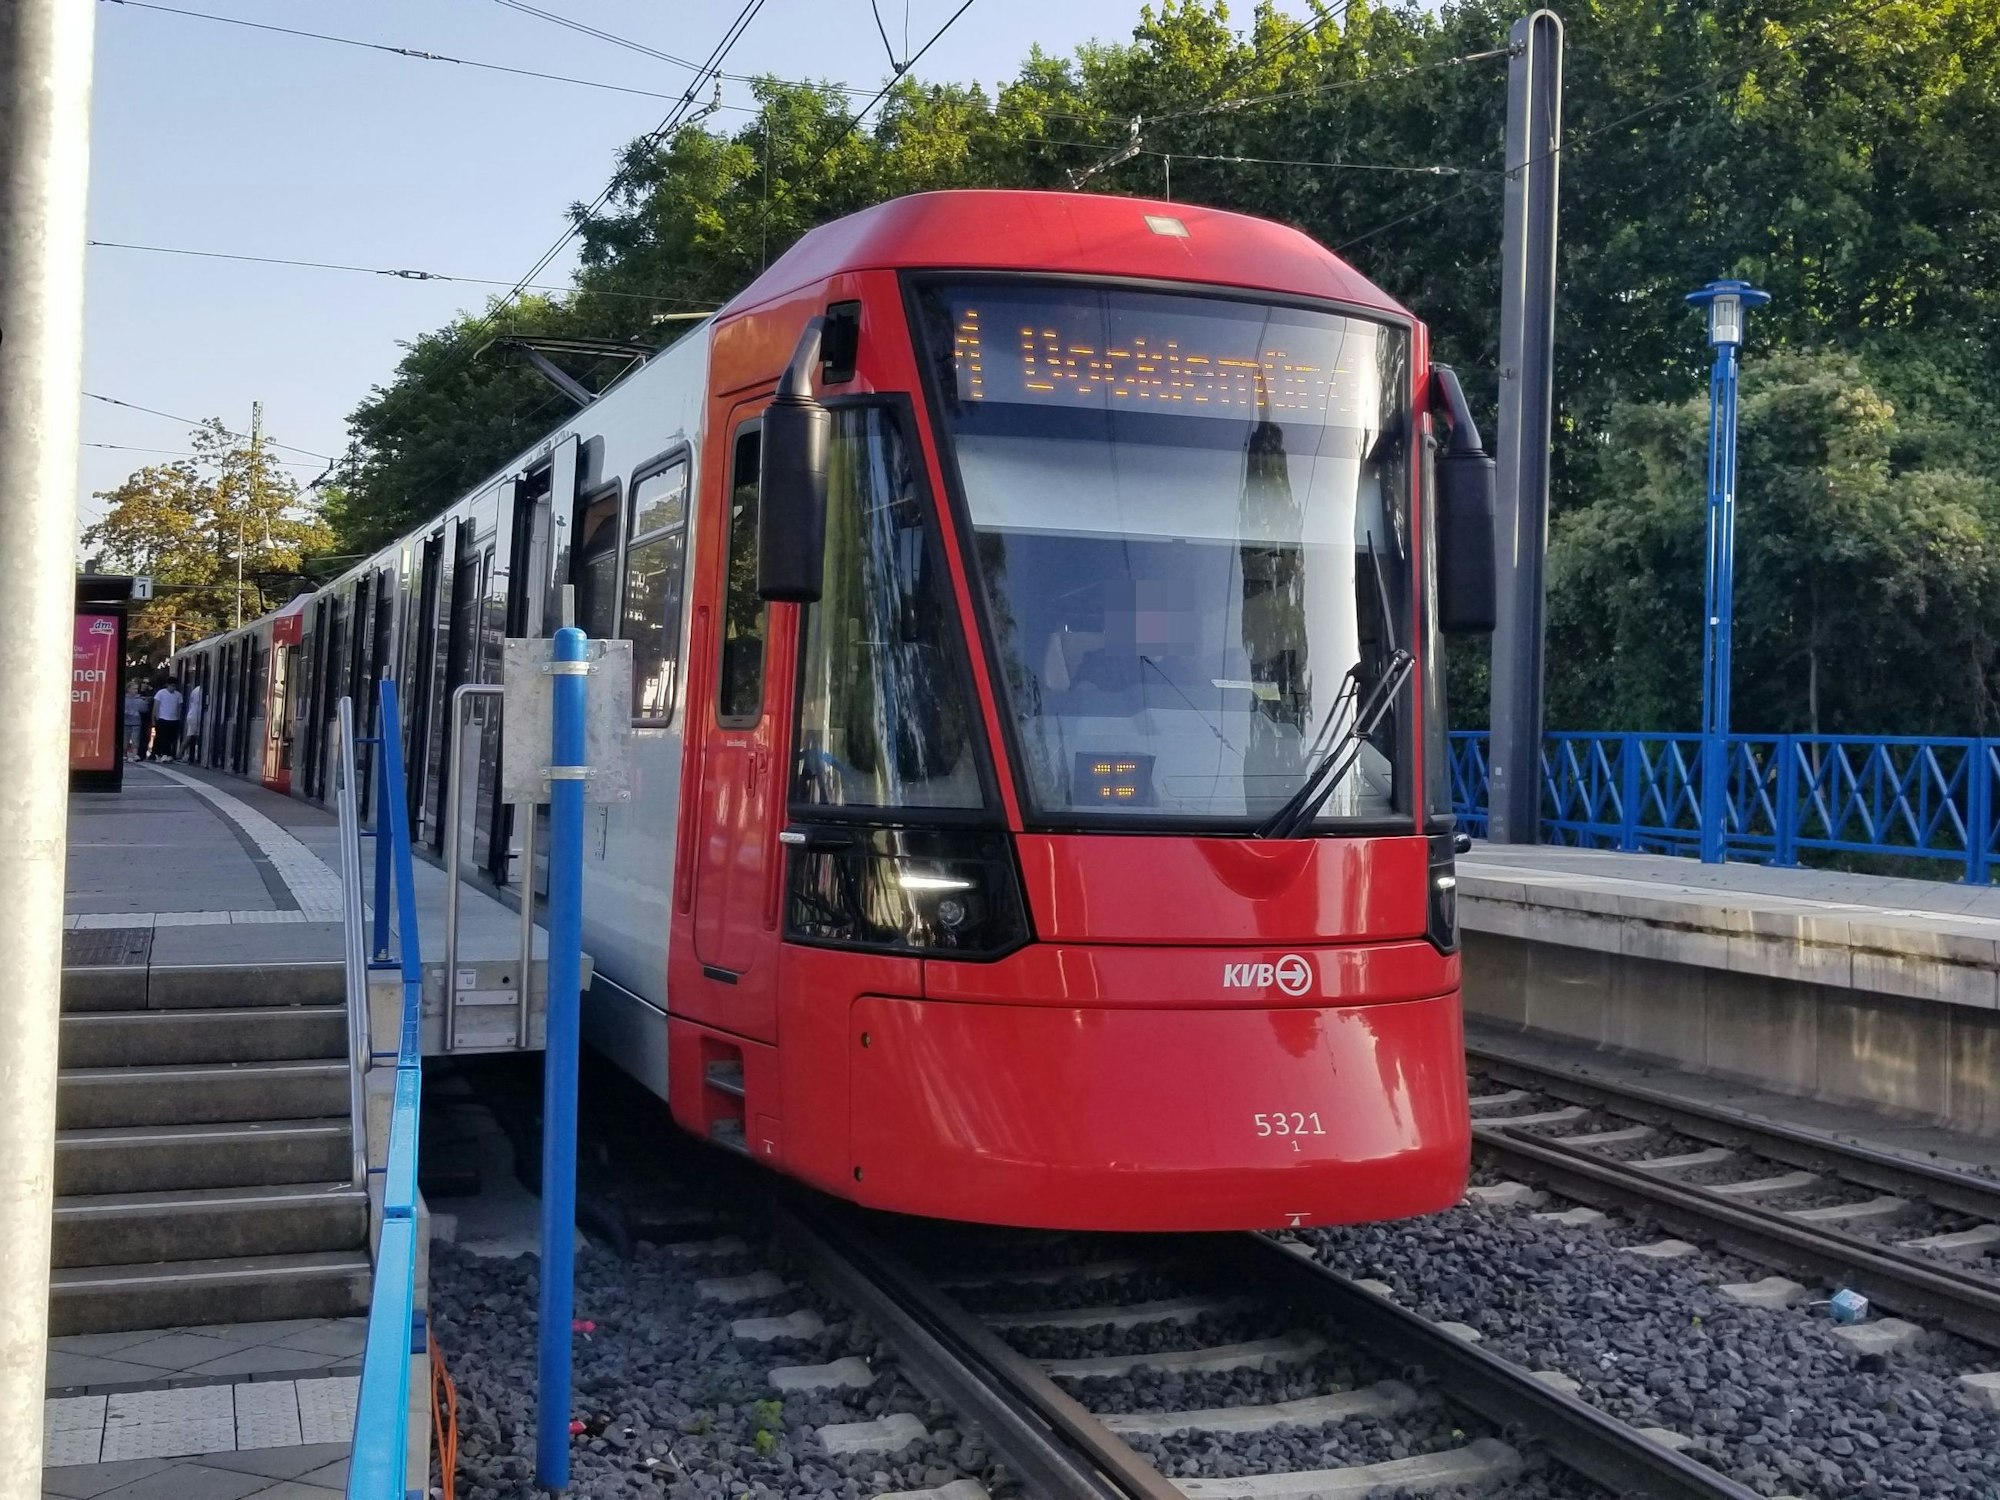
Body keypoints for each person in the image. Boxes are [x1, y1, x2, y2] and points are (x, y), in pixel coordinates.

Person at [150, 678, 183, 762]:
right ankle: (164, 753)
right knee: (163, 737)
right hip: (162, 718)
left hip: (174, 719)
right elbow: (156, 706)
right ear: (167, 685)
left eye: (175, 686)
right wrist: (155, 717)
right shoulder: (161, 693)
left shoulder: (178, 695)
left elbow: (179, 708)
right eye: (172, 686)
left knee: (171, 737)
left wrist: (179, 718)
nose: (173, 688)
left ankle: (160, 753)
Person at [123, 685, 148, 762]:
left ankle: (135, 754)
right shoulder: (124, 699)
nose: (135, 690)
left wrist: (144, 704)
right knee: (125, 739)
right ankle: (124, 754)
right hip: (126, 722)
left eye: (136, 689)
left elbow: (145, 709)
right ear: (128, 689)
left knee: (135, 739)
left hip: (136, 722)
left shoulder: (140, 700)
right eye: (133, 688)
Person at [182, 679, 205, 764]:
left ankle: (184, 754)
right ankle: (181, 753)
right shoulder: (200, 690)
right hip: (195, 716)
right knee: (191, 736)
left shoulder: (196, 689)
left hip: (193, 715)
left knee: (191, 735)